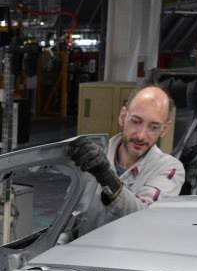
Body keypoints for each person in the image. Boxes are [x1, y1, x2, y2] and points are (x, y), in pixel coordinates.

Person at [74, 85, 185, 223]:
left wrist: (107, 178)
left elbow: (145, 217)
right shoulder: (93, 157)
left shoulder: (169, 168)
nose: (141, 136)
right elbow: (71, 218)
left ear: (164, 129)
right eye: (136, 121)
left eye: (153, 127)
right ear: (122, 117)